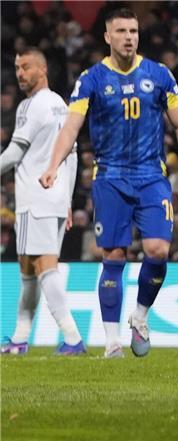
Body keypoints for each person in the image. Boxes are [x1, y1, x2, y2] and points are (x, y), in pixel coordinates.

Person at [38, 9, 178, 358]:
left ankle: (141, 316)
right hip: (111, 177)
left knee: (158, 250)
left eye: (133, 30)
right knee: (113, 255)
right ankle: (112, 340)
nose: (129, 37)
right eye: (121, 31)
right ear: (107, 36)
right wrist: (53, 165)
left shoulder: (159, 75)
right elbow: (71, 127)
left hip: (151, 177)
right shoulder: (91, 79)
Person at [0, 48, 85, 355]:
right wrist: (67, 198)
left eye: (26, 67)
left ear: (42, 69)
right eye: (17, 67)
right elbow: (72, 155)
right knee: (28, 270)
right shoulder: (60, 106)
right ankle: (21, 339)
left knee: (44, 267)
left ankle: (73, 338)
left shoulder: (31, 106)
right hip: (54, 198)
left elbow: (13, 153)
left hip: (34, 198)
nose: (20, 73)